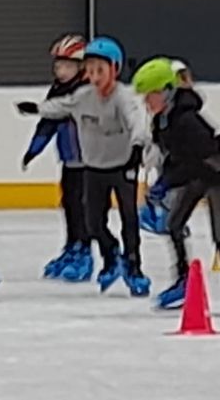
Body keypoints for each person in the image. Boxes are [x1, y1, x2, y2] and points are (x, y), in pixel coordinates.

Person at [18, 36, 151, 296]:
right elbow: (60, 107)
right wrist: (37, 109)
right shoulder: (82, 96)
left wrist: (137, 147)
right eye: (89, 70)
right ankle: (110, 254)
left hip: (123, 166)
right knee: (92, 222)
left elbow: (138, 123)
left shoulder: (122, 98)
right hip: (93, 168)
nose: (94, 76)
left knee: (128, 218)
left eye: (100, 70)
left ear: (114, 70)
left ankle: (134, 268)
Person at [132, 57, 220, 313]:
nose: (146, 102)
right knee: (174, 225)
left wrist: (167, 181)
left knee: (219, 232)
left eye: (150, 96)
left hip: (213, 173)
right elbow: (174, 157)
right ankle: (182, 279)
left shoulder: (187, 121)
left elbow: (198, 161)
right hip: (191, 175)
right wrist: (162, 180)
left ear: (166, 92)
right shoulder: (162, 121)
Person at [25, 35, 92, 279]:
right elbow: (47, 123)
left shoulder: (87, 92)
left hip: (89, 161)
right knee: (70, 204)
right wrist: (33, 150)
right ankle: (72, 245)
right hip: (69, 160)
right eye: (57, 66)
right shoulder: (57, 90)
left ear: (80, 67)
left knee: (82, 207)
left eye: (66, 66)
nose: (60, 71)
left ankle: (85, 252)